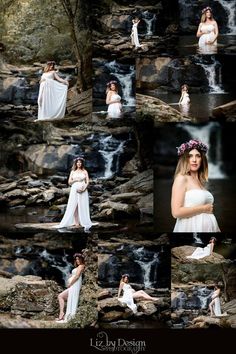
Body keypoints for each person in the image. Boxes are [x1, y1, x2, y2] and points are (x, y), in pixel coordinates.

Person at [171, 139, 221, 232]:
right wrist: (204, 208)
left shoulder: (202, 181)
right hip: (190, 227)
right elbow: (176, 212)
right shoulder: (182, 178)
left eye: (197, 156)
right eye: (190, 156)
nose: (194, 160)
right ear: (185, 159)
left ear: (202, 159)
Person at [54, 157, 98, 231]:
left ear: (82, 163)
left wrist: (84, 188)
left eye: (80, 162)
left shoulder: (85, 171)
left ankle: (83, 221)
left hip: (83, 190)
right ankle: (76, 222)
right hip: (74, 190)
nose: (79, 164)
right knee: (74, 205)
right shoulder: (73, 171)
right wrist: (75, 180)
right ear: (76, 163)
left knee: (82, 205)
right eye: (78, 162)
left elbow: (87, 181)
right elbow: (69, 182)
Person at [56, 253, 85, 322]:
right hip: (73, 285)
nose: (77, 260)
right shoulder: (77, 267)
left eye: (79, 259)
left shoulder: (81, 266)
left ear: (81, 259)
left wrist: (70, 284)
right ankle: (62, 313)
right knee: (61, 296)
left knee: (60, 296)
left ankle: (64, 315)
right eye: (76, 259)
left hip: (75, 285)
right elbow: (73, 275)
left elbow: (77, 276)